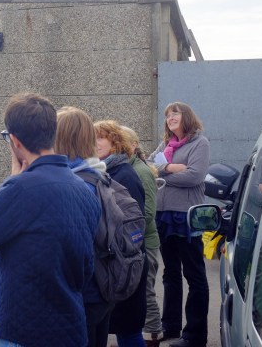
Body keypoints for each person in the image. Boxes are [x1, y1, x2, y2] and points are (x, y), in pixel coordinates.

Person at [0, 95, 100, 347]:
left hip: (23, 332)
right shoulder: (84, 188)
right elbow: (85, 269)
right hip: (71, 329)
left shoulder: (20, 187)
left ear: (15, 141)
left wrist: (10, 179)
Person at [148, 102, 210, 347]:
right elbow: (150, 166)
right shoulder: (165, 145)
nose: (170, 117)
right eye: (167, 115)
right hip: (163, 216)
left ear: (187, 117)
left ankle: (195, 335)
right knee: (170, 273)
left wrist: (162, 176)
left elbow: (194, 175)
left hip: (186, 217)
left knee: (194, 276)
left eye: (175, 113)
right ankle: (170, 326)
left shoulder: (199, 143)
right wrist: (170, 167)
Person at [55, 106, 110, 347]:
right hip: (102, 289)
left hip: (82, 295)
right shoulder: (98, 173)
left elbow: (71, 252)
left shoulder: (72, 183)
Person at [94, 120, 148, 347]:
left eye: (101, 137)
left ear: (114, 142)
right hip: (118, 264)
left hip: (125, 264)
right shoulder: (108, 170)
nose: (95, 143)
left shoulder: (123, 174)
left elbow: (132, 224)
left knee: (129, 332)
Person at [120, 125, 162, 346]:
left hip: (145, 242)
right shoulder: (130, 168)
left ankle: (153, 334)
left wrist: (125, 230)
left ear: (134, 145)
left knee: (145, 290)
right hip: (137, 242)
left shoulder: (141, 172)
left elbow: (147, 213)